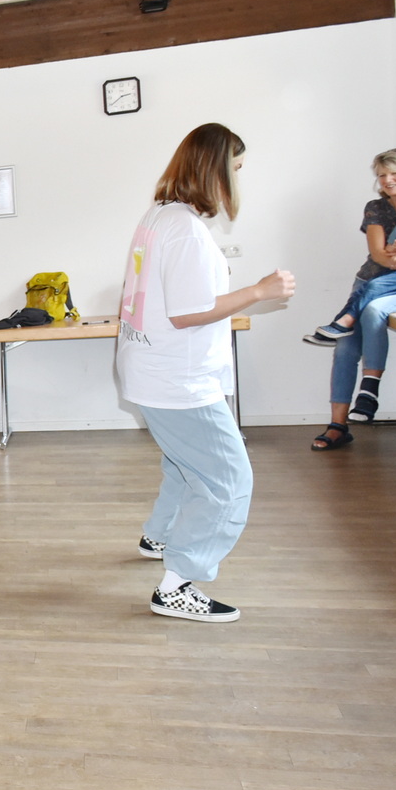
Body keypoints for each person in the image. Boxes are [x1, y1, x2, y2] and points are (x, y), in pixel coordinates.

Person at [117, 123, 295, 623]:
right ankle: (177, 585)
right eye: (235, 168)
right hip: (177, 379)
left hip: (153, 370)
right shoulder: (186, 230)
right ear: (214, 169)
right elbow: (187, 312)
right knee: (229, 480)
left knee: (184, 463)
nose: (238, 179)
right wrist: (259, 291)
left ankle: (158, 536)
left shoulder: (160, 216)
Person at [306, 149, 396, 447]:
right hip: (371, 282)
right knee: (345, 350)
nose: (387, 180)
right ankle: (337, 427)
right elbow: (379, 254)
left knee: (371, 313)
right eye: (381, 175)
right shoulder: (376, 207)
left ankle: (368, 392)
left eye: (394, 173)